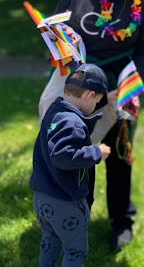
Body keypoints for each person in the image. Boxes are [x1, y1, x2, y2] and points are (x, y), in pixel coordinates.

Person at [55, 0, 144, 251]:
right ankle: (77, 216)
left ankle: (121, 220)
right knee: (81, 151)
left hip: (121, 82)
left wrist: (128, 85)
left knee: (120, 152)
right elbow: (57, 25)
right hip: (81, 81)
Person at [30, 64, 111, 267]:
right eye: (97, 102)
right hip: (64, 201)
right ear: (90, 95)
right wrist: (96, 152)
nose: (96, 106)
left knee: (50, 243)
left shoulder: (55, 111)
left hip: (42, 197)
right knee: (75, 250)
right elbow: (63, 156)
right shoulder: (71, 121)